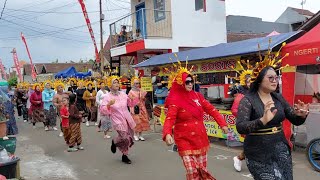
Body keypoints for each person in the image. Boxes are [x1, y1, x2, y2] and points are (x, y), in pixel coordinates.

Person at [236, 66, 309, 180]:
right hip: (257, 152)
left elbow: (294, 119)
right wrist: (262, 120)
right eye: (270, 78)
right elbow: (240, 127)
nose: (275, 81)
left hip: (280, 149)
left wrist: (301, 115)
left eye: (276, 77)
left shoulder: (278, 98)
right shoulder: (248, 100)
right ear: (259, 80)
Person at [163, 66, 228, 180]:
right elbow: (170, 119)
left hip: (200, 137)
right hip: (184, 139)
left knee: (202, 170)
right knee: (192, 170)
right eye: (187, 81)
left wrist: (222, 124)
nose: (190, 84)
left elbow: (212, 110)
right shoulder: (175, 100)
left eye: (191, 81)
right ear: (180, 83)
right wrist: (167, 133)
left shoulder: (198, 96)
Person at [100, 76, 138, 164]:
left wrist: (132, 99)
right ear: (110, 85)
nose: (117, 84)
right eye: (114, 82)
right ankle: (115, 141)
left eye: (117, 82)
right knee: (124, 137)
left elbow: (130, 104)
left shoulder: (123, 94)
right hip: (117, 119)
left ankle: (124, 155)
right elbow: (102, 109)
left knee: (129, 138)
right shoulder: (107, 97)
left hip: (127, 118)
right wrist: (109, 105)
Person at [231, 75, 251, 172]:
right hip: (247, 124)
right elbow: (234, 110)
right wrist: (246, 115)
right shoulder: (241, 95)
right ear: (245, 83)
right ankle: (239, 158)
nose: (250, 83)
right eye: (248, 81)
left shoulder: (258, 93)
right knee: (252, 144)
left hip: (260, 123)